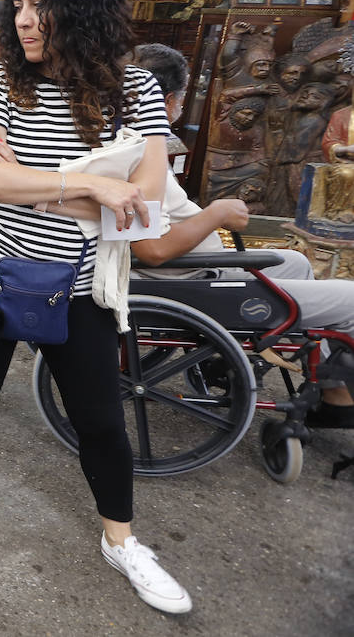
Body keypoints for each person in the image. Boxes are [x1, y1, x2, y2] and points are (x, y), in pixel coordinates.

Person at [0, 0, 188, 615]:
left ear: (83, 10)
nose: (22, 20)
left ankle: (121, 541)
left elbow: (146, 212)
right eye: (18, 6)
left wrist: (38, 188)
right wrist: (89, 187)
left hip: (80, 289)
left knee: (102, 420)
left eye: (39, 7)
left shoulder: (134, 92)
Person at [130, 43, 354, 425]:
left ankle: (323, 386)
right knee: (350, 299)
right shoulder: (136, 154)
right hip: (184, 282)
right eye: (181, 98)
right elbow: (151, 249)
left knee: (296, 262)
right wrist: (215, 213)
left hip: (194, 271)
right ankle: (336, 401)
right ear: (168, 100)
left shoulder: (138, 144)